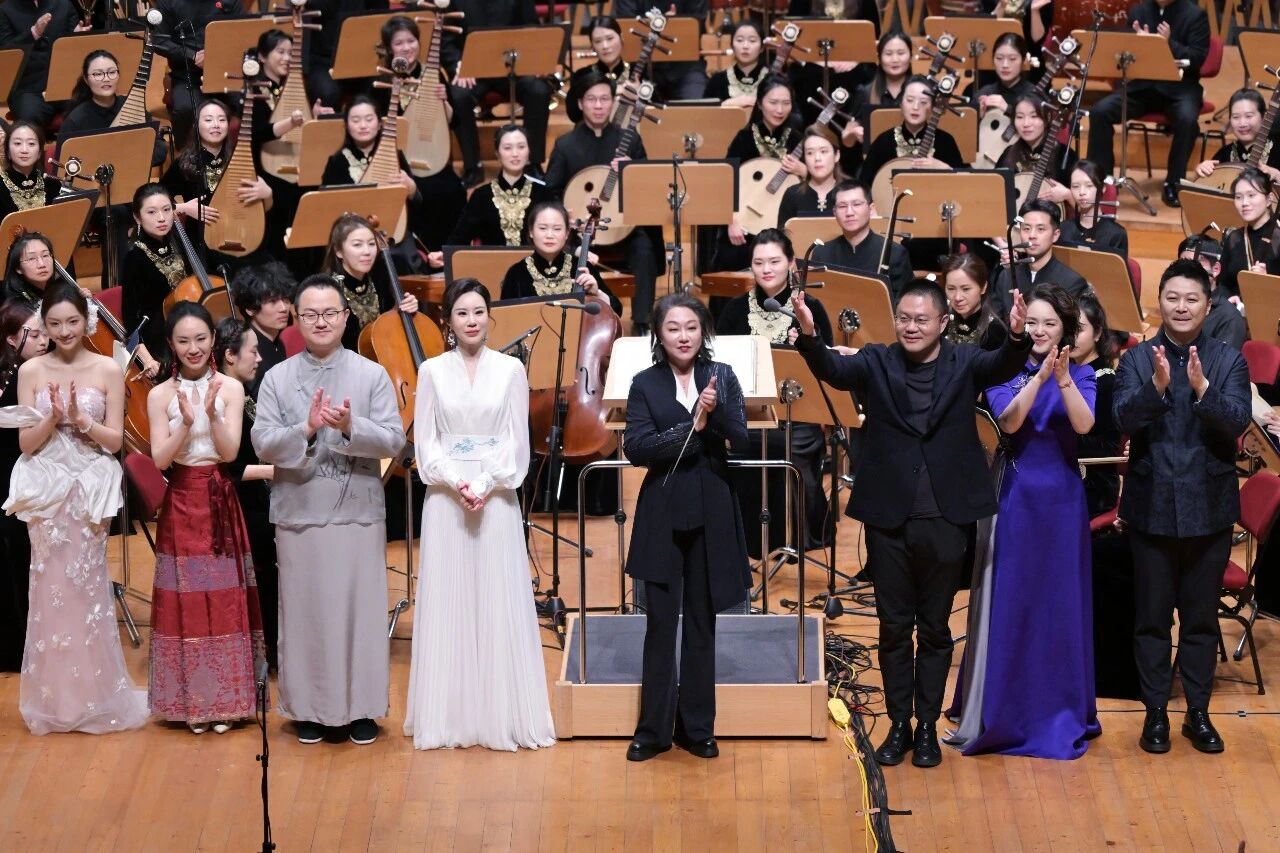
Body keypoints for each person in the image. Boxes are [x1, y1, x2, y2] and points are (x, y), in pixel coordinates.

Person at [790, 279, 1031, 768]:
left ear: (943, 322)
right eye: (904, 318)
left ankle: (926, 728)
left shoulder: (965, 361)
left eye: (922, 319)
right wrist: (811, 337)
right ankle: (899, 723)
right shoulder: (877, 360)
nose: (911, 327)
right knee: (894, 627)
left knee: (935, 628)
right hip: (889, 516)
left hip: (945, 516)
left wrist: (1017, 336)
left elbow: (1003, 364)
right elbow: (835, 370)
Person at [251, 275, 406, 746]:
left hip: (357, 510)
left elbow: (394, 439)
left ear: (345, 317)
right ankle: (309, 709)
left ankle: (362, 709)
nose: (321, 322)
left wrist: (351, 426)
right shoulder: (277, 377)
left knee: (360, 612)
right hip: (300, 511)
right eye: (311, 314)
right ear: (297, 319)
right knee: (305, 613)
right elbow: (262, 443)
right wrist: (307, 428)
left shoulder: (371, 374)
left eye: (330, 313)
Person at [947, 283, 1100, 759]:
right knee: (1012, 601)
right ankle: (1005, 709)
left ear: (1066, 329)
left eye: (1049, 323)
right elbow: (1010, 422)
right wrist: (1038, 377)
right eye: (1032, 321)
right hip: (1015, 496)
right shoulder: (1003, 368)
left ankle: (1060, 708)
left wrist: (1063, 378)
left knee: (1059, 604)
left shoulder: (1084, 373)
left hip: (1063, 503)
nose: (1038, 330)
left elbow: (1084, 425)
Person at [404, 278, 554, 750]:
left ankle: (499, 714)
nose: (472, 320)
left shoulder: (511, 369)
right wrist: (456, 481)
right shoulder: (431, 370)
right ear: (448, 321)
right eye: (462, 313)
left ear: (490, 317)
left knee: (496, 594)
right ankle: (450, 716)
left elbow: (517, 442)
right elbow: (426, 442)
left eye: (479, 311)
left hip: (496, 495)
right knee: (449, 597)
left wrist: (485, 483)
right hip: (446, 497)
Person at [1114, 259, 1250, 754]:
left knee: (1200, 621)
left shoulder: (1228, 360)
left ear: (1207, 305)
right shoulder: (1136, 359)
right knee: (1151, 620)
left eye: (1191, 298)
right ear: (1160, 302)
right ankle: (1155, 712)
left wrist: (1200, 389)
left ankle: (1197, 713)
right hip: (1150, 506)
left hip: (1208, 508)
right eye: (1172, 297)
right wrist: (1156, 388)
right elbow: (1122, 420)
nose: (1181, 306)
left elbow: (1236, 422)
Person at [1, 283, 149, 734]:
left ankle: (94, 695)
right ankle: (57, 701)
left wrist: (83, 421)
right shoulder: (31, 370)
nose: (64, 331)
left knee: (87, 587)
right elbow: (25, 443)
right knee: (48, 587)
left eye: (72, 321)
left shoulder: (107, 368)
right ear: (43, 326)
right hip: (45, 488)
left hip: (89, 488)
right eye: (54, 323)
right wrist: (51, 417)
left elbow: (115, 441)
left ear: (86, 321)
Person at [624, 292, 751, 762]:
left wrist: (715, 416)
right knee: (659, 623)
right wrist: (692, 427)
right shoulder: (645, 383)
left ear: (704, 332)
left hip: (711, 507)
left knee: (702, 620)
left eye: (692, 327)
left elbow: (741, 437)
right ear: (659, 334)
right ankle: (652, 731)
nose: (683, 336)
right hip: (662, 510)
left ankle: (698, 728)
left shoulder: (723, 376)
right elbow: (637, 448)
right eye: (674, 328)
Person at [146, 301, 265, 734]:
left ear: (213, 339)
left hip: (219, 498)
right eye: (183, 341)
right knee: (188, 600)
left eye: (200, 338)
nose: (193, 348)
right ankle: (193, 701)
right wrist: (185, 423)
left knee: (224, 597)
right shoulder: (159, 395)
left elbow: (230, 453)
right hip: (182, 499)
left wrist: (211, 414)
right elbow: (160, 459)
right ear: (170, 345)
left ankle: (229, 702)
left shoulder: (230, 387)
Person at [716, 229, 831, 558]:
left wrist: (808, 340)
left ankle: (795, 539)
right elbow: (719, 366)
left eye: (775, 261)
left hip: (799, 414)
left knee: (792, 445)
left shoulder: (810, 307)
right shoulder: (734, 309)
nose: (766, 269)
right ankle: (749, 543)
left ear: (791, 263)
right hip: (749, 414)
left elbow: (828, 366)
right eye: (758, 262)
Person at [545, 71, 662, 334]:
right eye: (591, 99)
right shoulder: (565, 145)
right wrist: (566, 215)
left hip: (622, 229)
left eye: (604, 99)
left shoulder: (629, 140)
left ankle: (642, 323)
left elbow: (648, 186)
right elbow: (550, 191)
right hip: (580, 231)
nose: (598, 106)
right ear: (580, 103)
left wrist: (632, 170)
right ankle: (580, 323)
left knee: (645, 248)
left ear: (613, 102)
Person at [1084, 0, 1209, 208]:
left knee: (1188, 120)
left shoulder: (1195, 14)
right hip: (1142, 88)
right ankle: (1102, 180)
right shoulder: (1140, 10)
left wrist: (1166, 43)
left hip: (1180, 89)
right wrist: (1139, 45)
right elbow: (1126, 53)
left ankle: (1174, 182)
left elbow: (1197, 58)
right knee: (1100, 111)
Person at [320, 96, 464, 261]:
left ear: (379, 124)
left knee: (402, 259)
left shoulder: (395, 155)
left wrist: (412, 189)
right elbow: (328, 207)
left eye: (369, 119)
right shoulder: (337, 162)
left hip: (395, 235)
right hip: (354, 239)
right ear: (347, 125)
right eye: (356, 120)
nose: (363, 125)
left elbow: (416, 206)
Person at [217, 316, 279, 673]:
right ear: (229, 355)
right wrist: (277, 472)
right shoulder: (227, 397)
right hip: (240, 504)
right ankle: (265, 649)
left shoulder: (244, 392)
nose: (259, 358)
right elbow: (231, 469)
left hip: (256, 498)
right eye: (252, 352)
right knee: (266, 571)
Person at [443, 0, 551, 182]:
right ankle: (472, 165)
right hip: (472, 71)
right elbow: (446, 39)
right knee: (458, 95)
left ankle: (532, 163)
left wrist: (531, 60)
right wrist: (458, 65)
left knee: (538, 90)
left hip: (511, 68)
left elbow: (531, 27)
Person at [160, 98, 271, 271]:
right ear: (197, 126)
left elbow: (263, 209)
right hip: (203, 244)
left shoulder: (242, 160)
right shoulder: (183, 165)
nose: (216, 125)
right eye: (208, 120)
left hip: (243, 237)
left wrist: (267, 194)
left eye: (221, 119)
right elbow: (156, 202)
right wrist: (184, 208)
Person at [0, 303, 46, 671]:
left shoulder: (33, 374)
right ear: (13, 339)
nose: (44, 339)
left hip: (28, 475)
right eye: (36, 333)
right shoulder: (13, 376)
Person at [719, 76, 806, 270]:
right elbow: (726, 180)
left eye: (786, 103)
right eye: (773, 102)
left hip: (782, 223)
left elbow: (821, 178)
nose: (779, 110)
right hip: (743, 222)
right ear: (759, 103)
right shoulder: (744, 138)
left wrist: (803, 170)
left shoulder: (797, 139)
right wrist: (731, 221)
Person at [441, 125, 555, 253]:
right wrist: (444, 255)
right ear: (497, 154)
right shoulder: (481, 196)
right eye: (507, 148)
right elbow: (460, 238)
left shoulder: (544, 195)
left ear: (529, 151)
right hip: (490, 264)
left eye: (521, 147)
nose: (515, 154)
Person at [151, 0, 246, 147]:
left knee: (248, 103)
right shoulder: (168, 3)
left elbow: (242, 33)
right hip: (187, 73)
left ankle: (240, 152)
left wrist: (214, 54)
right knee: (185, 110)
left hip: (226, 71)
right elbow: (159, 41)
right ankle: (184, 154)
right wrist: (192, 56)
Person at [499, 200, 621, 314]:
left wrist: (597, 293)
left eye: (557, 229)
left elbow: (617, 310)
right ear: (531, 231)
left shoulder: (583, 268)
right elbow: (505, 318)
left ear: (567, 233)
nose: (549, 235)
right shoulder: (516, 273)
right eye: (542, 228)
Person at [322, 214, 419, 352]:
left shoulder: (381, 276)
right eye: (357, 245)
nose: (367, 251)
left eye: (372, 244)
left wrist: (400, 309)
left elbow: (388, 330)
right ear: (339, 251)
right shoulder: (327, 290)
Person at [59, 50, 168, 167]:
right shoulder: (75, 120)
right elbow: (64, 165)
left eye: (112, 72)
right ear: (86, 79)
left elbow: (159, 147)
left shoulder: (132, 106)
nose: (106, 79)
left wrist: (130, 159)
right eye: (98, 74)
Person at [121, 183, 187, 376]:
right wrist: (148, 359)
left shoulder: (181, 243)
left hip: (188, 327)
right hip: (158, 341)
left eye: (166, 210)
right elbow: (130, 318)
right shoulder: (134, 257)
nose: (161, 218)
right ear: (137, 217)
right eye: (151, 212)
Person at [859, 74, 965, 193]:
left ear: (932, 106)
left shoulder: (945, 141)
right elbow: (864, 185)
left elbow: (966, 182)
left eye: (923, 102)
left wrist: (945, 168)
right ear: (900, 103)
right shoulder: (883, 141)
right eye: (910, 100)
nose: (915, 107)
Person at [810, 180, 913, 300]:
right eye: (842, 206)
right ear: (834, 212)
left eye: (856, 204)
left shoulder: (895, 252)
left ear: (871, 209)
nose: (849, 212)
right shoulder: (821, 252)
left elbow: (903, 302)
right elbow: (816, 299)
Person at [990, 198, 1091, 315]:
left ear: (1055, 235)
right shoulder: (1006, 276)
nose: (1032, 235)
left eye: (1040, 229)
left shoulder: (1072, 282)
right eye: (1026, 229)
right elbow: (996, 321)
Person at [1072, 293, 1123, 518]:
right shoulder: (1060, 370)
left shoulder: (1106, 381)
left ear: (1098, 332)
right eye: (1067, 328)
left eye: (1079, 329)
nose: (1072, 336)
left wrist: (1058, 438)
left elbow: (1108, 447)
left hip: (1093, 483)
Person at [0, 0, 90, 124]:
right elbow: (6, 54)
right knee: (29, 117)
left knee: (89, 109)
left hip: (65, 86)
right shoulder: (5, 10)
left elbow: (76, 50)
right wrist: (33, 33)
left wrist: (77, 37)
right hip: (27, 89)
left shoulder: (64, 4)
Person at [612, 0, 709, 102]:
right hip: (639, 68)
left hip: (685, 68)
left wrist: (672, 24)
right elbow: (625, 27)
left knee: (695, 106)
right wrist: (659, 25)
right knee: (619, 102)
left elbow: (696, 26)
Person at [995, 93, 1075, 205]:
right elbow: (993, 193)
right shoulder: (1008, 153)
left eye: (1034, 116)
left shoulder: (1064, 155)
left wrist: (1068, 195)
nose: (1026, 124)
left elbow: (1085, 205)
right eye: (1020, 117)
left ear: (1047, 117)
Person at [231, 261, 296, 399]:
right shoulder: (246, 348)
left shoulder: (277, 342)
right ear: (250, 309)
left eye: (285, 300)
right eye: (273, 301)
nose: (284, 308)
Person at [1193, 88, 1280, 185]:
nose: (1242, 123)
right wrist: (1200, 172)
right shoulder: (1224, 153)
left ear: (1263, 117)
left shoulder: (1277, 150)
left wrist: (1277, 175)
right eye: (1236, 117)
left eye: (1249, 116)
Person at [1218, 167, 1280, 299]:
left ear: (1269, 199)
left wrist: (1269, 281)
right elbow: (1222, 284)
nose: (1244, 203)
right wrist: (1229, 299)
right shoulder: (1234, 237)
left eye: (1251, 195)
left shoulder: (1278, 237)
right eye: (1238, 197)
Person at [1178, 235, 1246, 350]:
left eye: (1195, 266)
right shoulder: (1177, 307)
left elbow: (1222, 360)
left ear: (1215, 269)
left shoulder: (1229, 318)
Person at [1059, 160, 1130, 260]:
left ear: (1103, 188)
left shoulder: (1116, 234)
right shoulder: (1062, 229)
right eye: (1075, 186)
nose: (1082, 192)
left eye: (1089, 186)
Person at [567, 17, 630, 124]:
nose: (605, 46)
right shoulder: (582, 76)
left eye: (610, 38)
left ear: (621, 38)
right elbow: (573, 114)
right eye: (598, 41)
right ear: (592, 46)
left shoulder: (639, 73)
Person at [777, 125, 843, 228]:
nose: (817, 158)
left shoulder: (852, 192)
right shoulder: (792, 194)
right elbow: (782, 236)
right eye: (810, 153)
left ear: (837, 155)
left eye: (823, 151)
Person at [941, 253, 1007, 350]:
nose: (957, 297)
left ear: (983, 287)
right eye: (951, 289)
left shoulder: (995, 331)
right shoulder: (941, 324)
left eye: (966, 289)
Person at [0, 122, 61, 222]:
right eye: (17, 143)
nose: (24, 150)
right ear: (8, 151)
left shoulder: (53, 185)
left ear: (39, 152)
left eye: (31, 144)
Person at [967, 33, 1036, 116]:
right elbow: (966, 122)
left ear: (1024, 60)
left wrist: (1007, 109)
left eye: (1012, 59)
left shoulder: (1034, 94)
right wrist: (978, 116)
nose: (1005, 65)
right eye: (999, 58)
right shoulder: (985, 92)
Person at [703, 19, 767, 107]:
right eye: (740, 40)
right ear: (732, 45)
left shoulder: (773, 79)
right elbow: (705, 112)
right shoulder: (718, 81)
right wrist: (726, 104)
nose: (745, 46)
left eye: (752, 41)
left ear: (762, 47)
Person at [1, 232, 68, 311]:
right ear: (18, 268)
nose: (42, 264)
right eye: (31, 258)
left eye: (45, 255)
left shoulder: (61, 289)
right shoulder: (14, 307)